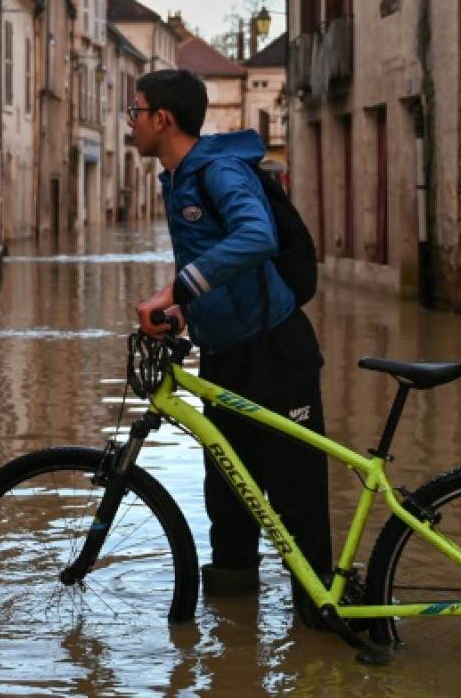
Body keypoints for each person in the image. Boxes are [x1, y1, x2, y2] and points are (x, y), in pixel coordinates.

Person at [130, 68, 333, 628]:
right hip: (224, 354)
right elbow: (218, 265)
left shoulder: (218, 170)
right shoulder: (178, 179)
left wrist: (176, 288)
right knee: (229, 501)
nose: (132, 122)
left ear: (161, 118)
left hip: (276, 352)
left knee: (298, 504)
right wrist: (182, 311)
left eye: (136, 111)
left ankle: (321, 630)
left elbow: (255, 237)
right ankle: (230, 649)